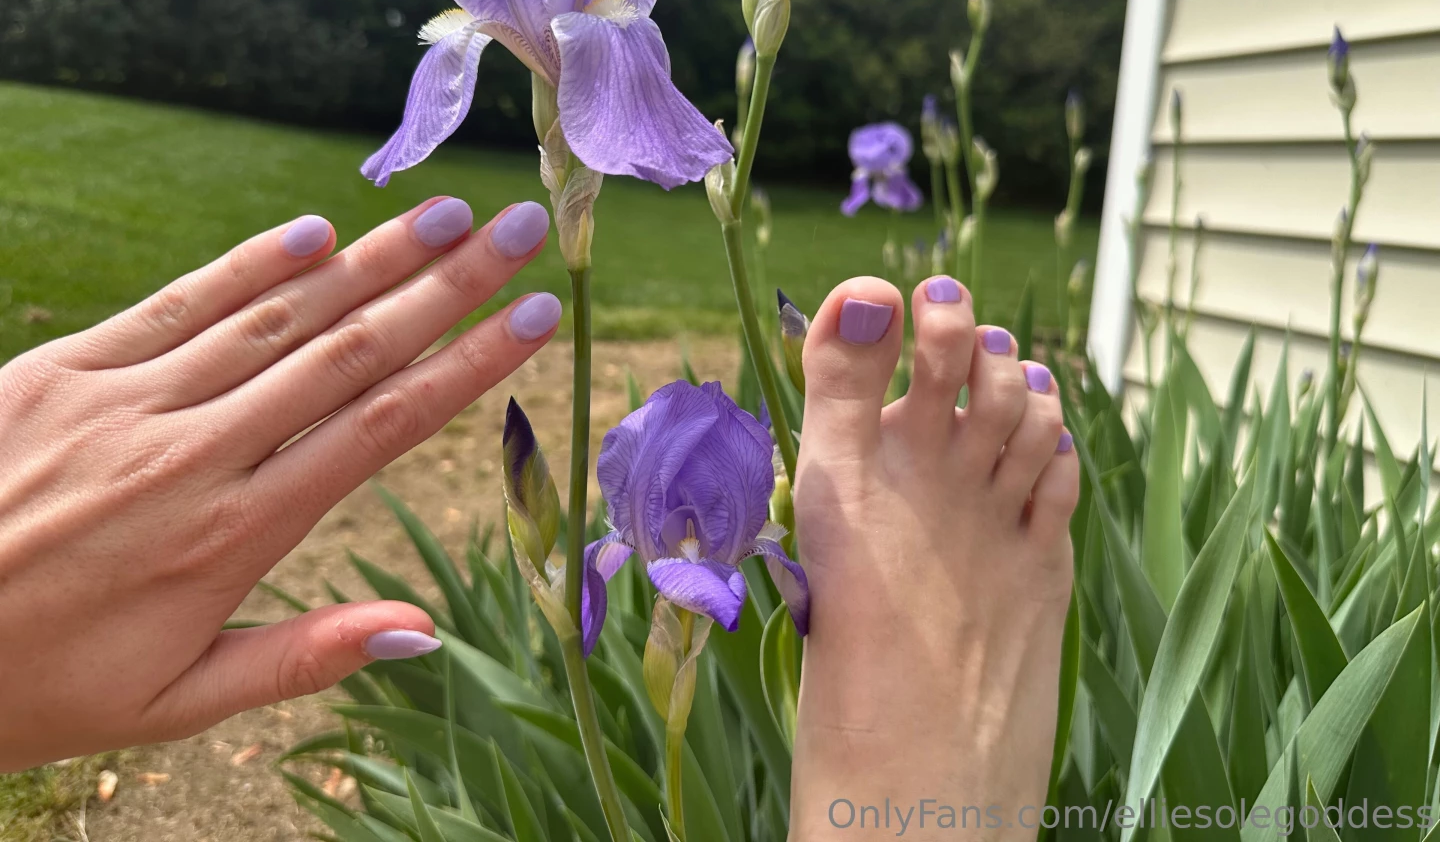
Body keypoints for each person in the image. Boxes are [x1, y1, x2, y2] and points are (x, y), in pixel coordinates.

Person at [1, 198, 1078, 842]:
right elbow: (639, 577)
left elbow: (743, 582)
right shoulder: (632, 548)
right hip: (678, 553)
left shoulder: (664, 547)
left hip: (699, 549)